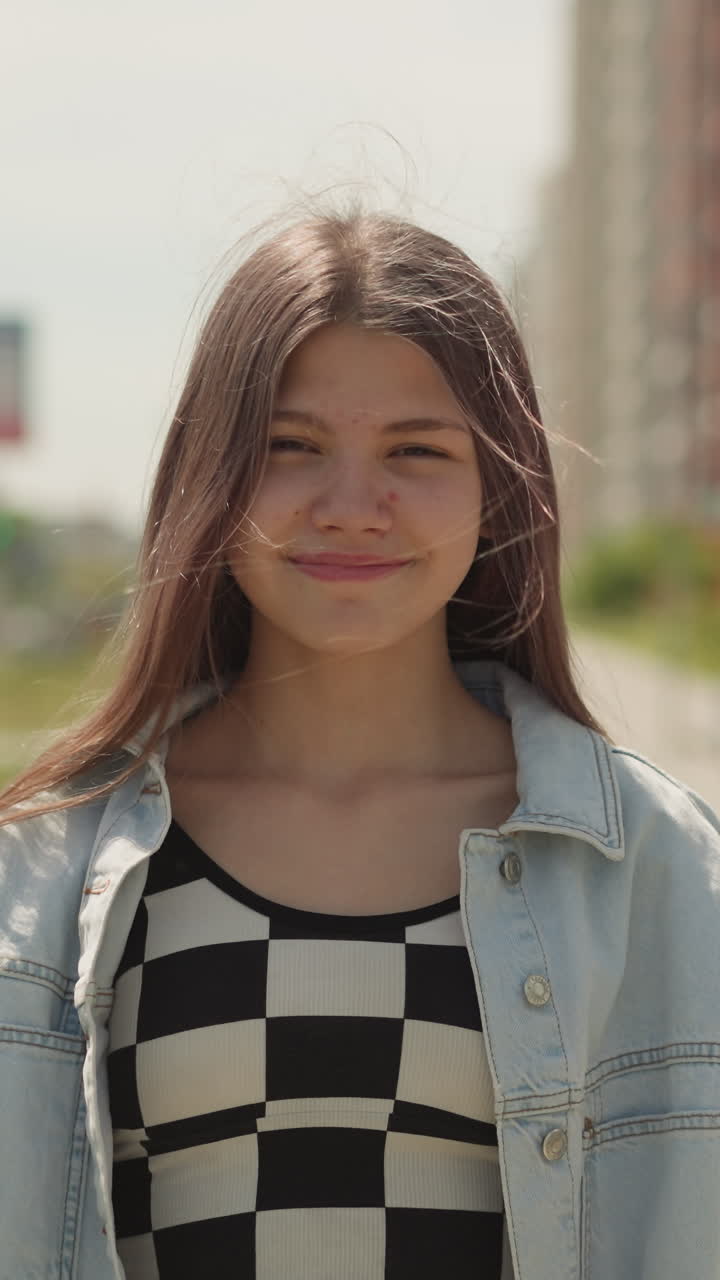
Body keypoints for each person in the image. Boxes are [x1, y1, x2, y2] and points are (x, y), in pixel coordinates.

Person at [1, 202, 719, 1280]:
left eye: (416, 450)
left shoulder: (656, 864)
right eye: (291, 446)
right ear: (211, 477)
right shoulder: (44, 872)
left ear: (498, 488)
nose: (352, 504)